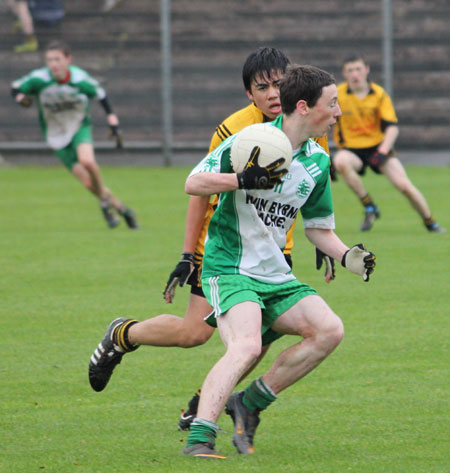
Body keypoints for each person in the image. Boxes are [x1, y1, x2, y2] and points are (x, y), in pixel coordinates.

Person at [87, 48, 335, 414]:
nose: (271, 93)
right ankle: (123, 335)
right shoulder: (235, 129)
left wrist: (325, 243)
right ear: (248, 94)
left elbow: (309, 186)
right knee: (194, 334)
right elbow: (201, 188)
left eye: (278, 84)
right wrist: (189, 254)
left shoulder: (308, 117)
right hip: (224, 245)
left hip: (273, 248)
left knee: (261, 337)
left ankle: (203, 405)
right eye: (261, 87)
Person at [180, 64, 376, 459]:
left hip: (275, 273)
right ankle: (199, 438)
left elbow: (318, 228)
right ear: (304, 106)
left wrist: (349, 256)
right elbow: (193, 182)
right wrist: (241, 179)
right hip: (230, 268)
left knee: (329, 330)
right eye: (332, 104)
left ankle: (249, 403)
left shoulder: (319, 162)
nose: (338, 112)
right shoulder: (251, 141)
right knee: (247, 345)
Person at [11, 40, 138, 229]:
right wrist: (21, 98)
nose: (53, 64)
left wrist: (112, 119)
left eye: (57, 59)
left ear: (68, 59)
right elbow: (15, 87)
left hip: (79, 126)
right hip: (56, 136)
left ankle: (105, 203)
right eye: (49, 60)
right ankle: (123, 210)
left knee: (87, 162)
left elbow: (100, 95)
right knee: (89, 185)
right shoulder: (40, 79)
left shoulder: (79, 79)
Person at [332, 54, 446, 233]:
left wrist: (382, 152)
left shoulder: (379, 94)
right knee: (340, 161)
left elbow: (392, 128)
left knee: (404, 186)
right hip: (352, 149)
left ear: (366, 70)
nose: (355, 74)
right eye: (350, 70)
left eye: (358, 69)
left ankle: (430, 222)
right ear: (344, 73)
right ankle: (369, 206)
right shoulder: (337, 94)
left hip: (378, 147)